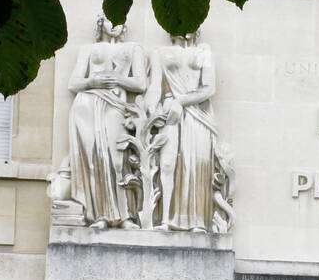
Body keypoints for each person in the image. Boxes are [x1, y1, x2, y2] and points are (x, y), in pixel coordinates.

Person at [67, 16, 147, 228]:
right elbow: (73, 83)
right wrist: (91, 81)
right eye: (111, 19)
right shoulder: (89, 49)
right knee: (94, 159)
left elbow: (141, 83)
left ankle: (126, 216)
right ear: (101, 23)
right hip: (87, 105)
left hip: (115, 105)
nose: (115, 24)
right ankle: (100, 215)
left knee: (116, 159)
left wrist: (119, 79)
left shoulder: (132, 48)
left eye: (120, 20)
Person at [145, 33, 219, 232]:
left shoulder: (203, 51)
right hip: (169, 111)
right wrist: (153, 110)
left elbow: (209, 88)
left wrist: (181, 101)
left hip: (197, 114)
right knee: (167, 163)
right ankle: (165, 220)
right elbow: (154, 86)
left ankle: (197, 222)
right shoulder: (160, 53)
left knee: (195, 164)